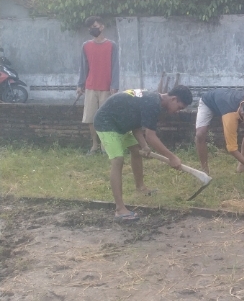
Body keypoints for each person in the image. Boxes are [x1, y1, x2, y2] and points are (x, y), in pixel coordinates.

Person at [94, 85, 193, 221]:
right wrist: (172, 157)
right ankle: (120, 209)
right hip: (106, 122)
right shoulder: (153, 103)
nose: (177, 111)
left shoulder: (153, 100)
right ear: (174, 99)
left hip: (122, 124)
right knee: (118, 159)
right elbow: (151, 136)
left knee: (136, 151)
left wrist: (144, 146)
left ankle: (140, 187)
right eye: (179, 107)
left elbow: (136, 123)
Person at [195, 88, 244, 176]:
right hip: (208, 102)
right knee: (200, 134)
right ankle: (204, 171)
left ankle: (242, 166)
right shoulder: (230, 117)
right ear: (243, 113)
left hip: (225, 98)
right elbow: (232, 149)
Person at [77, 16, 119, 155]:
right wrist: (80, 84)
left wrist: (114, 85)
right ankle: (95, 145)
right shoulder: (86, 46)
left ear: (102, 27)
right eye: (90, 28)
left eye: (95, 26)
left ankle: (105, 146)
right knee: (90, 118)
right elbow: (83, 67)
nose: (92, 29)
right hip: (90, 87)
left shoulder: (111, 45)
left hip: (107, 88)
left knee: (105, 118)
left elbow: (115, 66)